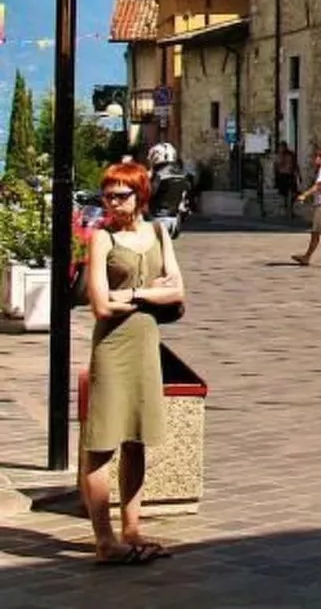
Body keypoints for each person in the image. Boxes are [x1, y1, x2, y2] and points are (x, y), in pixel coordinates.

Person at [80, 161, 185, 565]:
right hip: (112, 347)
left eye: (120, 195)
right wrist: (148, 293)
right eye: (107, 195)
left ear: (140, 196)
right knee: (101, 442)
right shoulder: (102, 239)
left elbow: (178, 291)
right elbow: (101, 305)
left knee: (136, 439)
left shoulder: (158, 233)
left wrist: (133, 296)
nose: (112, 202)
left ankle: (132, 529)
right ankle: (105, 540)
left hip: (145, 344)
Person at [272, 143, 299, 218]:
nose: (282, 149)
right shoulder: (278, 156)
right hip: (282, 176)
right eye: (280, 148)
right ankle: (286, 208)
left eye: (283, 147)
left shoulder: (291, 155)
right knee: (284, 194)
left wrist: (298, 175)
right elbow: (276, 166)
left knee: (294, 193)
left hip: (290, 175)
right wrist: (275, 177)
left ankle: (290, 208)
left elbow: (295, 165)